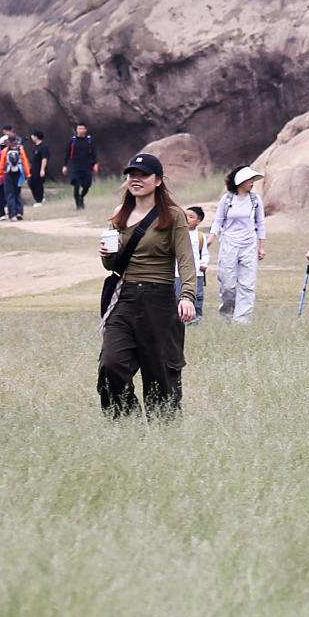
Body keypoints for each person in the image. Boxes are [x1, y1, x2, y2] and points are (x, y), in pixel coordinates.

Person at [98, 151, 197, 418]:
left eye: (143, 175)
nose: (136, 179)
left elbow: (186, 259)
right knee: (111, 365)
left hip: (159, 300)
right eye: (132, 175)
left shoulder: (173, 215)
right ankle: (127, 424)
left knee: (161, 375)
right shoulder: (120, 214)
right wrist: (107, 256)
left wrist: (187, 295)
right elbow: (112, 265)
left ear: (158, 180)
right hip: (125, 298)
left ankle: (164, 431)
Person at [214, 166, 266, 323]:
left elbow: (260, 223)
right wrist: (211, 238)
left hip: (249, 245)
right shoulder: (227, 200)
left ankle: (242, 320)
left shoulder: (255, 200)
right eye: (249, 180)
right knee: (227, 284)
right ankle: (227, 314)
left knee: (247, 285)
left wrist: (262, 246)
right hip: (229, 244)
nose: (252, 183)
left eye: (253, 180)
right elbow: (218, 221)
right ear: (240, 181)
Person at [184, 204, 211, 326]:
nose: (187, 219)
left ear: (198, 221)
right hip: (179, 273)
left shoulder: (200, 236)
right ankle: (181, 318)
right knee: (180, 295)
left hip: (197, 272)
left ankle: (196, 318)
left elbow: (204, 253)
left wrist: (203, 263)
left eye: (191, 217)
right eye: (185, 216)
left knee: (198, 295)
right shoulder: (177, 234)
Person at [66, 123, 98, 210]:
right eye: (78, 129)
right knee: (76, 184)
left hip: (87, 166)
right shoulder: (72, 141)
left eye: (82, 128)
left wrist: (95, 164)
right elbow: (67, 153)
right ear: (76, 130)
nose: (80, 130)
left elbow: (94, 153)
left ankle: (81, 197)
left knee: (87, 186)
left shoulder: (89, 140)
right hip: (75, 166)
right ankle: (78, 205)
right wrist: (65, 165)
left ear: (85, 130)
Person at [0, 132, 27, 221]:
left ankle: (12, 214)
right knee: (17, 193)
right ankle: (19, 212)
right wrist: (27, 173)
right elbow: (25, 162)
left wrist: (0, 174)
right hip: (18, 173)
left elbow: (2, 163)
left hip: (8, 173)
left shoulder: (5, 150)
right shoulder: (20, 149)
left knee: (10, 194)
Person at [28, 132, 51, 205]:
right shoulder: (35, 147)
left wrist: (42, 169)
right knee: (31, 183)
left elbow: (44, 158)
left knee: (38, 184)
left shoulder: (43, 147)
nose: (31, 137)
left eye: (32, 136)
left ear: (36, 137)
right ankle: (39, 197)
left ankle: (39, 200)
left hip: (39, 168)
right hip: (33, 168)